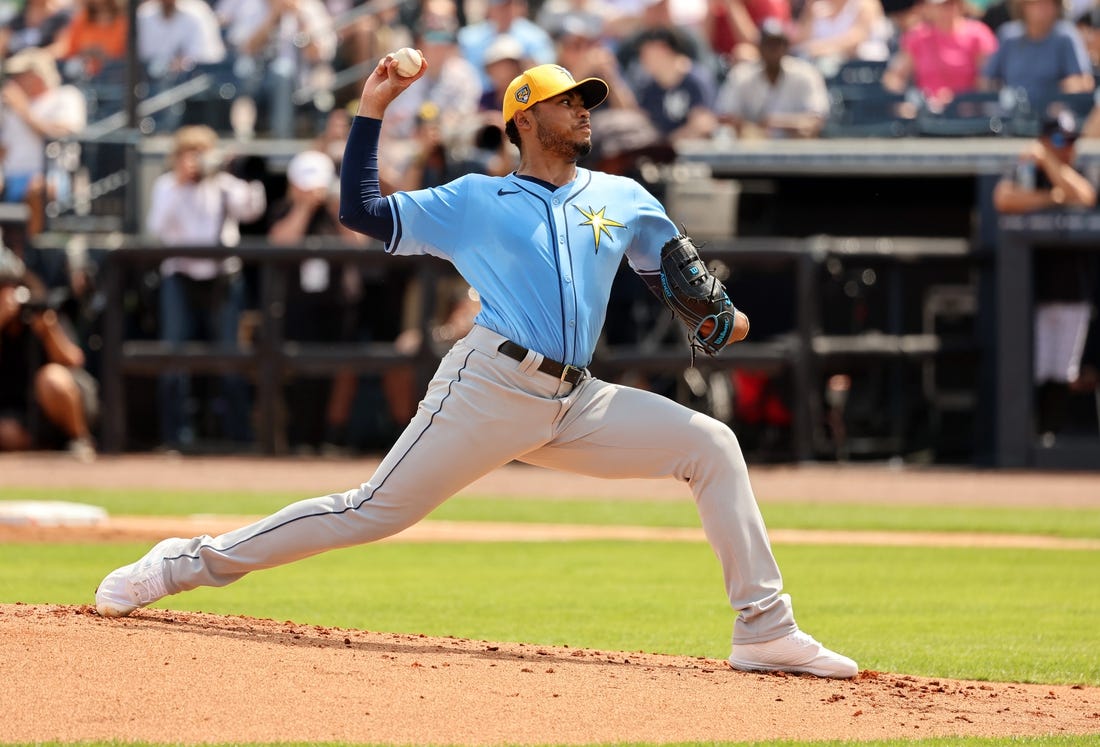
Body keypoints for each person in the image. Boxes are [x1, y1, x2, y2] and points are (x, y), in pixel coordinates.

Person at [94, 58, 858, 680]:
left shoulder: (622, 195)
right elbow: (362, 213)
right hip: (491, 384)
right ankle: (182, 564)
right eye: (566, 102)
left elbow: (675, 275)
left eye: (586, 99)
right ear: (524, 118)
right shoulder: (474, 198)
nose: (584, 110)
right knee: (369, 510)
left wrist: (713, 309)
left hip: (577, 399)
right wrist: (372, 107)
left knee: (711, 445)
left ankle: (763, 628)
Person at [145, 124, 266, 451]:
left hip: (223, 279)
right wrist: (181, 183)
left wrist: (240, 169)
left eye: (201, 153)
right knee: (175, 355)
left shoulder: (224, 185)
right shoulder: (166, 186)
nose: (195, 160)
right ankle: (175, 436)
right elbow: (156, 226)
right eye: (189, 153)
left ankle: (238, 436)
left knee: (230, 356)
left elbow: (254, 208)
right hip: (180, 277)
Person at [993, 109, 1098, 435]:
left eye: (1070, 140)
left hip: (1073, 293)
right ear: (1042, 140)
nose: (1065, 146)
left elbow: (1085, 197)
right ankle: (1029, 437)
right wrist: (1049, 196)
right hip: (1034, 291)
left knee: (1064, 372)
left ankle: (1061, 439)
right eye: (1057, 140)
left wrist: (1051, 164)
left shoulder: (1078, 169)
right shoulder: (1027, 169)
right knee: (1034, 370)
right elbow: (1003, 199)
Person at [0, 246, 97, 462]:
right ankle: (49, 453)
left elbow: (74, 360)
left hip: (63, 402)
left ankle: (79, 439)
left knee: (51, 378)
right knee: (5, 433)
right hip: (18, 413)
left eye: (10, 286)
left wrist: (48, 331)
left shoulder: (40, 308)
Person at [0, 48, 87, 240]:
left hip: (53, 176)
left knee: (36, 188)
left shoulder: (66, 97)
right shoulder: (8, 106)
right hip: (9, 177)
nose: (14, 81)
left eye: (20, 75)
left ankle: (35, 254)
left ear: (38, 75)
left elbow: (61, 132)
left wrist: (24, 111)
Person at [714, 18, 831, 138]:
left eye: (779, 43)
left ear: (786, 47)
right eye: (768, 44)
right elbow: (726, 116)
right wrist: (751, 129)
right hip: (752, 150)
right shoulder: (741, 75)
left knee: (804, 133)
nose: (774, 49)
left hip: (796, 148)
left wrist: (774, 122)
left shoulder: (806, 74)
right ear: (759, 47)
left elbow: (816, 120)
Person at [980, 0, 1093, 111]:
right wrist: (997, 107)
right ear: (1022, 6)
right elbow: (987, 80)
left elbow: (1082, 81)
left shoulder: (1065, 35)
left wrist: (1060, 101)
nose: (1041, 8)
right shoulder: (1008, 36)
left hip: (1053, 123)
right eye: (1034, 3)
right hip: (1011, 120)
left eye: (1048, 3)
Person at [882, 0, 998, 105]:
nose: (947, 9)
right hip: (928, 115)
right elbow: (894, 77)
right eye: (941, 6)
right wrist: (908, 102)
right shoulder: (917, 37)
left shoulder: (979, 35)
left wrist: (960, 100)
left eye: (951, 3)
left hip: (969, 113)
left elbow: (986, 81)